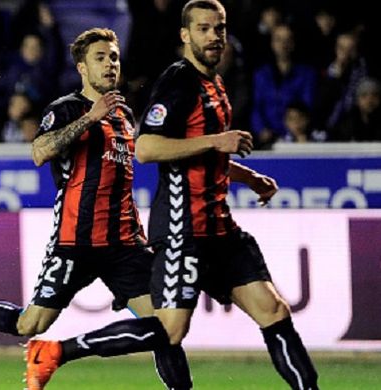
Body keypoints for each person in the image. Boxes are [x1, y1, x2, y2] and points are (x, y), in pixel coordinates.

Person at [0, 28, 192, 390]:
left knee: (165, 328)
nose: (110, 64)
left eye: (113, 57)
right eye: (100, 57)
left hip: (125, 246)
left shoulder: (125, 117)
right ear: (82, 67)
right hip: (74, 242)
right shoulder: (66, 109)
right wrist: (90, 117)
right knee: (30, 326)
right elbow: (40, 151)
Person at [136, 1, 319, 389]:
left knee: (272, 309)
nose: (213, 36)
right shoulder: (178, 82)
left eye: (219, 28)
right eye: (203, 29)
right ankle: (65, 349)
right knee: (170, 331)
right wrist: (219, 140)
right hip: (181, 230)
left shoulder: (215, 84)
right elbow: (147, 148)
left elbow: (205, 157)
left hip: (219, 228)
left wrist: (249, 177)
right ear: (185, 36)